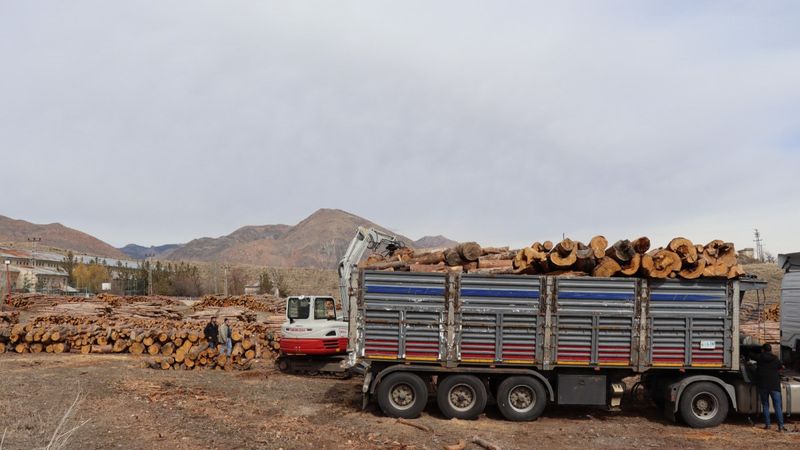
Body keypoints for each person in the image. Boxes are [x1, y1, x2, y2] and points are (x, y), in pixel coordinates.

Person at [756, 343, 785, 431]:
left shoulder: (760, 358)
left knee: (765, 405)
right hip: (774, 385)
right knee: (777, 406)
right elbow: (781, 367)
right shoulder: (775, 358)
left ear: (763, 350)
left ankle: (768, 425)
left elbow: (757, 369)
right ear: (771, 350)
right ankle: (780, 426)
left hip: (763, 385)